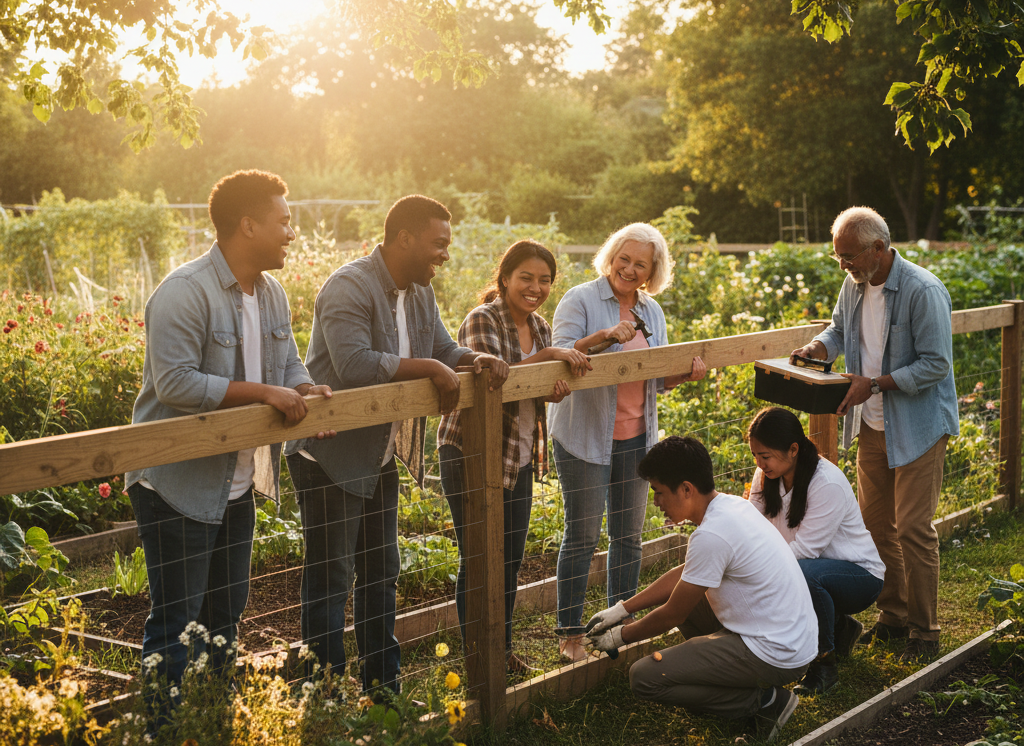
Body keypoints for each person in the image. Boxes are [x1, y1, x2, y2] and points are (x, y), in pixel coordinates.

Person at [284, 195, 508, 695]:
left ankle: (383, 689)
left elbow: (442, 348)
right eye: (438, 244)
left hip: (380, 452)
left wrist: (475, 359)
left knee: (381, 573)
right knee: (332, 580)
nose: (444, 255)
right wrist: (431, 369)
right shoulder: (349, 286)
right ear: (403, 239)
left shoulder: (419, 290)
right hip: (330, 454)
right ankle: (324, 693)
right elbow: (355, 366)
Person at [126, 170, 335, 696]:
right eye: (284, 221)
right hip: (177, 484)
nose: (292, 233)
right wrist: (263, 394)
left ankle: (211, 720)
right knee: (175, 626)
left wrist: (303, 388)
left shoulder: (271, 294)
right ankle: (166, 730)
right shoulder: (183, 291)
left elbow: (286, 362)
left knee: (224, 621)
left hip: (238, 482)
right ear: (247, 225)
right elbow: (174, 382)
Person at [791, 206, 958, 663]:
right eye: (838, 257)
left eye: (848, 256)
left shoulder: (923, 290)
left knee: (914, 529)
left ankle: (926, 632)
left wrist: (876, 384)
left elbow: (936, 364)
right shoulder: (854, 284)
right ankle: (893, 615)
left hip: (918, 425)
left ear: (878, 249)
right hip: (871, 424)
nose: (843, 265)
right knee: (875, 525)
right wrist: (818, 346)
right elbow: (840, 329)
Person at [585, 436, 817, 743]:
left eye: (658, 492)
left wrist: (619, 636)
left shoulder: (712, 534)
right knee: (687, 594)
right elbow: (685, 575)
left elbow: (672, 614)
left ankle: (764, 703)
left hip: (775, 653)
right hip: (789, 637)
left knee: (644, 678)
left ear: (686, 489)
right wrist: (622, 610)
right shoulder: (731, 506)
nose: (656, 502)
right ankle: (727, 680)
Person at [548, 222, 707, 661]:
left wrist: (684, 372)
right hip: (584, 436)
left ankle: (618, 629)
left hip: (637, 438)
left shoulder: (651, 312)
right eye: (624, 259)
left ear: (652, 271)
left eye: (641, 264)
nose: (630, 269)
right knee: (582, 536)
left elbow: (657, 379)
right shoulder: (580, 299)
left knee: (627, 537)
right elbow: (557, 355)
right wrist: (603, 338)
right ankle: (571, 634)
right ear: (611, 256)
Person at [436, 239, 592, 674]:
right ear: (504, 278)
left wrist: (552, 384)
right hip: (471, 452)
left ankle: (500, 651)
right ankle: (476, 660)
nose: (535, 287)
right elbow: (496, 382)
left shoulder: (540, 327)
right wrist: (552, 359)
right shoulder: (481, 319)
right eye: (526, 277)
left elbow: (535, 384)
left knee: (510, 558)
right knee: (479, 555)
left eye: (544, 280)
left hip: (517, 455)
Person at [746, 407, 885, 694]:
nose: (760, 463)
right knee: (797, 574)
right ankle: (840, 627)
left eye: (765, 455)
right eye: (755, 456)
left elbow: (806, 550)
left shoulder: (826, 482)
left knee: (804, 575)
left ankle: (824, 667)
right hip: (813, 569)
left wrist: (758, 569)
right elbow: (749, 528)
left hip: (859, 576)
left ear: (793, 449)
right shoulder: (765, 477)